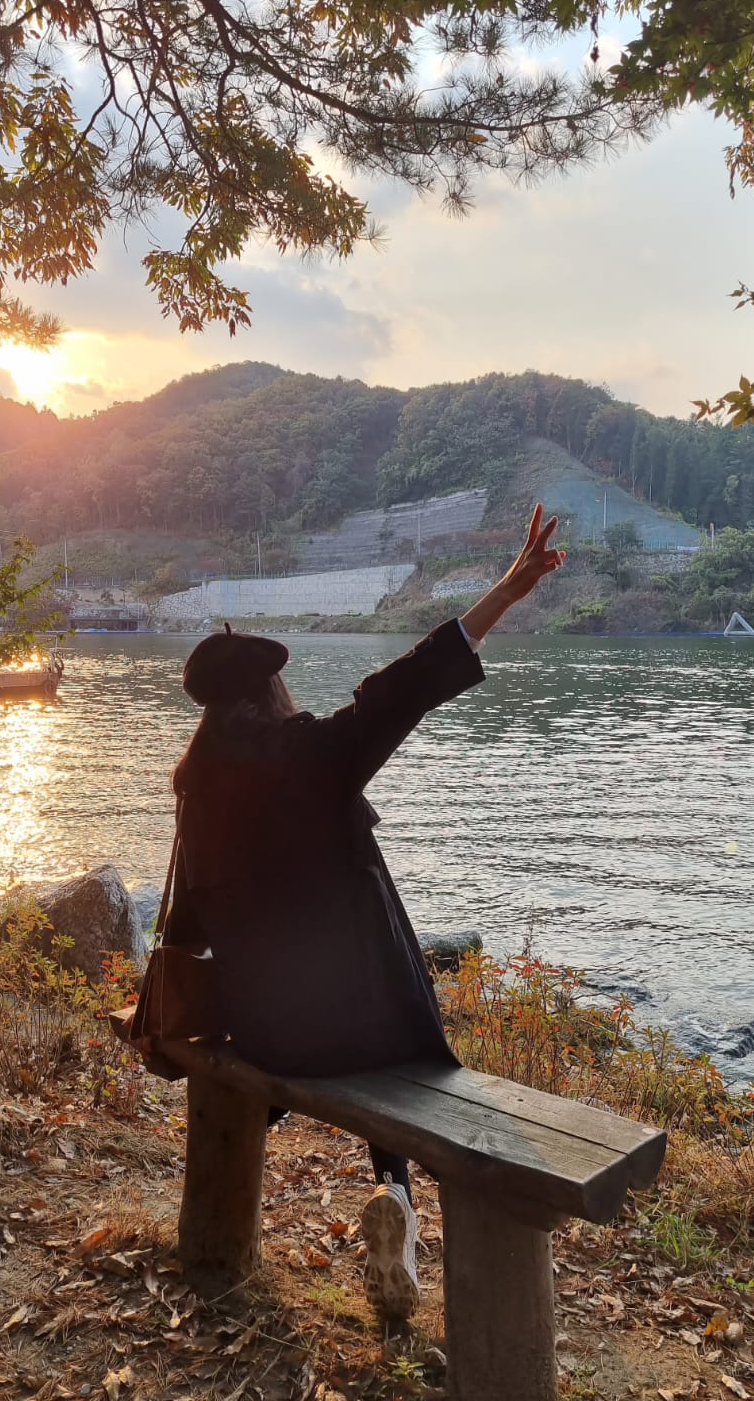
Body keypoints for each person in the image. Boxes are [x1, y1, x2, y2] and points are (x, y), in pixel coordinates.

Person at [168, 505, 565, 1321]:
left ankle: (369, 1199)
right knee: (390, 1000)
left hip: (268, 1035)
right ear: (268, 691)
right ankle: (395, 1192)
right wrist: (502, 593)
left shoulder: (196, 788)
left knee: (323, 994)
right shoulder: (312, 758)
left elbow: (188, 931)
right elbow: (402, 692)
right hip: (362, 1033)